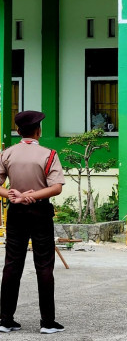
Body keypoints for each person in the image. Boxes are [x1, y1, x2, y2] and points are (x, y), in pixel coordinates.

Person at [0, 111, 65, 334]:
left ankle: (6, 320)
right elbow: (56, 188)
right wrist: (33, 196)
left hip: (16, 212)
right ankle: (47, 322)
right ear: (38, 131)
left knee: (12, 264)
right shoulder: (48, 154)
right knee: (44, 266)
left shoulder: (6, 154)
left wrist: (11, 194)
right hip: (40, 213)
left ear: (18, 131)